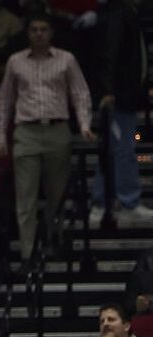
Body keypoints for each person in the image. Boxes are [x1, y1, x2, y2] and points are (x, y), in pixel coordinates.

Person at [0, 14, 94, 263]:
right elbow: (5, 99)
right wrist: (0, 135)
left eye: (43, 29)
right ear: (28, 33)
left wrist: (84, 125)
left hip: (57, 129)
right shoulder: (15, 61)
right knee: (25, 197)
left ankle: (54, 243)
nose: (39, 33)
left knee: (56, 195)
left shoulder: (66, 59)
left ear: (51, 33)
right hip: (26, 131)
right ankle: (28, 254)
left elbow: (79, 93)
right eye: (34, 29)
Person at [90, 0, 151, 224]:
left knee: (116, 148)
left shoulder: (127, 13)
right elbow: (110, 52)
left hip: (126, 94)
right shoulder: (119, 13)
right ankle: (123, 200)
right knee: (121, 148)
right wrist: (107, 91)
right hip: (119, 95)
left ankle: (108, 201)